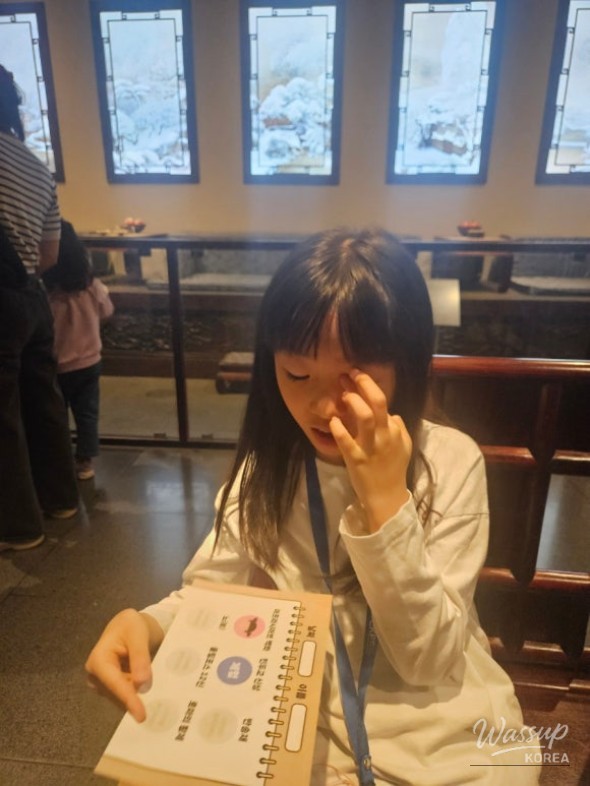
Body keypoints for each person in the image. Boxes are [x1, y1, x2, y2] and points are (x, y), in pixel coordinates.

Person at [86, 228, 540, 785]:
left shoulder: (449, 462)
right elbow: (212, 596)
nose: (323, 407)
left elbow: (427, 661)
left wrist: (383, 499)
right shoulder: (268, 468)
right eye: (297, 374)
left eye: (353, 379)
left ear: (407, 361)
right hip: (308, 712)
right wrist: (146, 622)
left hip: (436, 728)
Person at [0, 65, 79, 551]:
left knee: (3, 414)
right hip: (31, 297)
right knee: (43, 401)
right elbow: (49, 255)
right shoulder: (32, 162)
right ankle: (61, 498)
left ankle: (18, 525)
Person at [42, 220, 114, 480]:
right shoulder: (91, 286)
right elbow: (107, 310)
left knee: (56, 415)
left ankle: (59, 460)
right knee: (87, 414)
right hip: (89, 361)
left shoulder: (46, 291)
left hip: (56, 364)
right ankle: (85, 463)